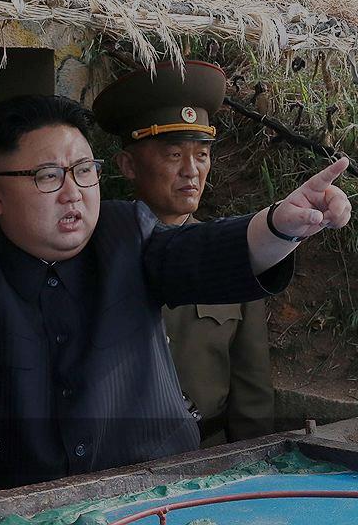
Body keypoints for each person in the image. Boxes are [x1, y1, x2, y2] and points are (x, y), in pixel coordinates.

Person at [0, 92, 352, 524]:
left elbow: (201, 253)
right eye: (48, 176)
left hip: (153, 495)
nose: (74, 194)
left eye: (84, 171)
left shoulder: (128, 230)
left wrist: (280, 226)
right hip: (25, 505)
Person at [94, 61, 274, 445]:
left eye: (202, 155)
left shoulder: (233, 255)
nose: (191, 171)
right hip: (114, 458)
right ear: (128, 165)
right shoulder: (94, 254)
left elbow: (252, 389)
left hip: (206, 456)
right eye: (174, 155)